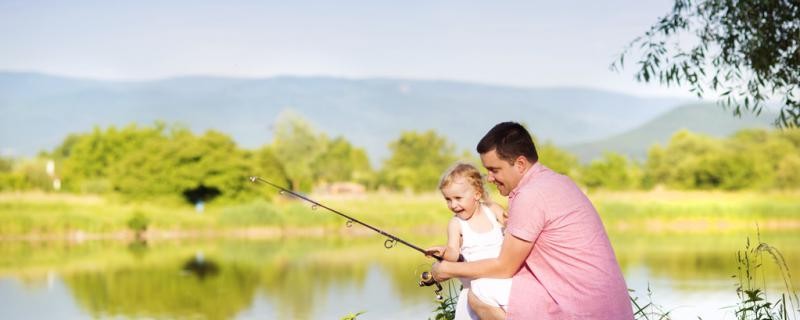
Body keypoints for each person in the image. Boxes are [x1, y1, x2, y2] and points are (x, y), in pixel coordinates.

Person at [431, 122, 633, 320]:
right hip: (607, 302)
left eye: (494, 170)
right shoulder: (557, 181)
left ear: (520, 164)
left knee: (481, 292)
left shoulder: (530, 195)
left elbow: (504, 267)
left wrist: (448, 269)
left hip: (581, 305)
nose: (489, 178)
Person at [425, 163, 511, 320]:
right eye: (448, 199)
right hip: (473, 291)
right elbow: (453, 253)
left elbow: (511, 226)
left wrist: (510, 220)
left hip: (502, 284)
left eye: (458, 198)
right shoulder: (456, 224)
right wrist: (443, 252)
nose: (453, 205)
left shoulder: (492, 210)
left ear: (477, 194)